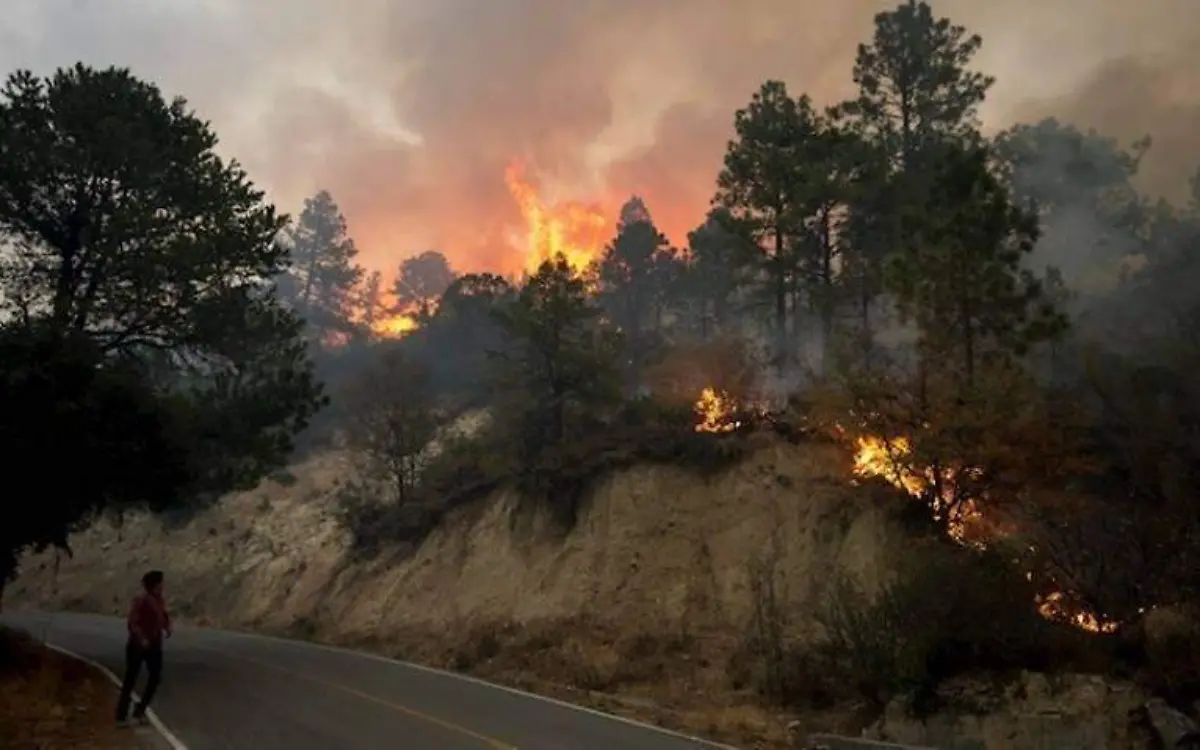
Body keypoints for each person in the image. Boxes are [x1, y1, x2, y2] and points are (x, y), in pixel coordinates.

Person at [116, 569, 171, 727]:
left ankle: (139, 710)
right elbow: (132, 623)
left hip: (154, 644)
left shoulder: (159, 600)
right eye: (160, 583)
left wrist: (167, 626)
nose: (162, 586)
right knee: (130, 679)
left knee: (155, 678)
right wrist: (142, 638)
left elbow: (163, 615)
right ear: (153, 585)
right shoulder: (141, 600)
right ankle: (121, 715)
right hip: (137, 646)